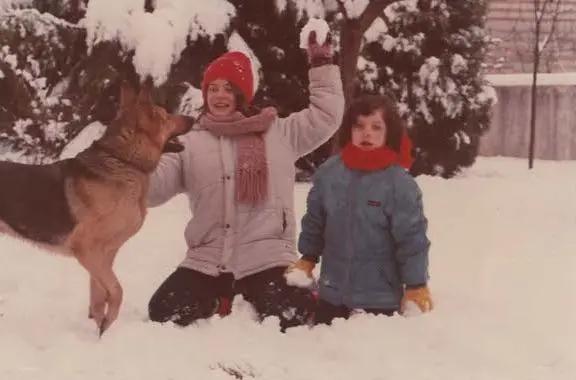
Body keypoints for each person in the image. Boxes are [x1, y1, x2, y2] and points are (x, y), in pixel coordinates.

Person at [146, 30, 344, 332]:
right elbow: (152, 189)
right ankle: (224, 297)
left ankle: (247, 295)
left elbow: (325, 116)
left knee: (292, 315)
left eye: (228, 88)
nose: (219, 96)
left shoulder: (279, 133)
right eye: (213, 89)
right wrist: (135, 157)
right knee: (164, 310)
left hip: (267, 256)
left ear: (243, 94)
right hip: (207, 259)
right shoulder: (188, 143)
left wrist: (321, 65)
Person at [288, 94, 433, 326]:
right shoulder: (330, 174)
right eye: (359, 126)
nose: (367, 133)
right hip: (332, 292)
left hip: (379, 297)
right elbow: (315, 222)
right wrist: (307, 258)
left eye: (376, 127)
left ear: (389, 134)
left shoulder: (398, 184)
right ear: (349, 131)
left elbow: (412, 239)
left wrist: (416, 284)